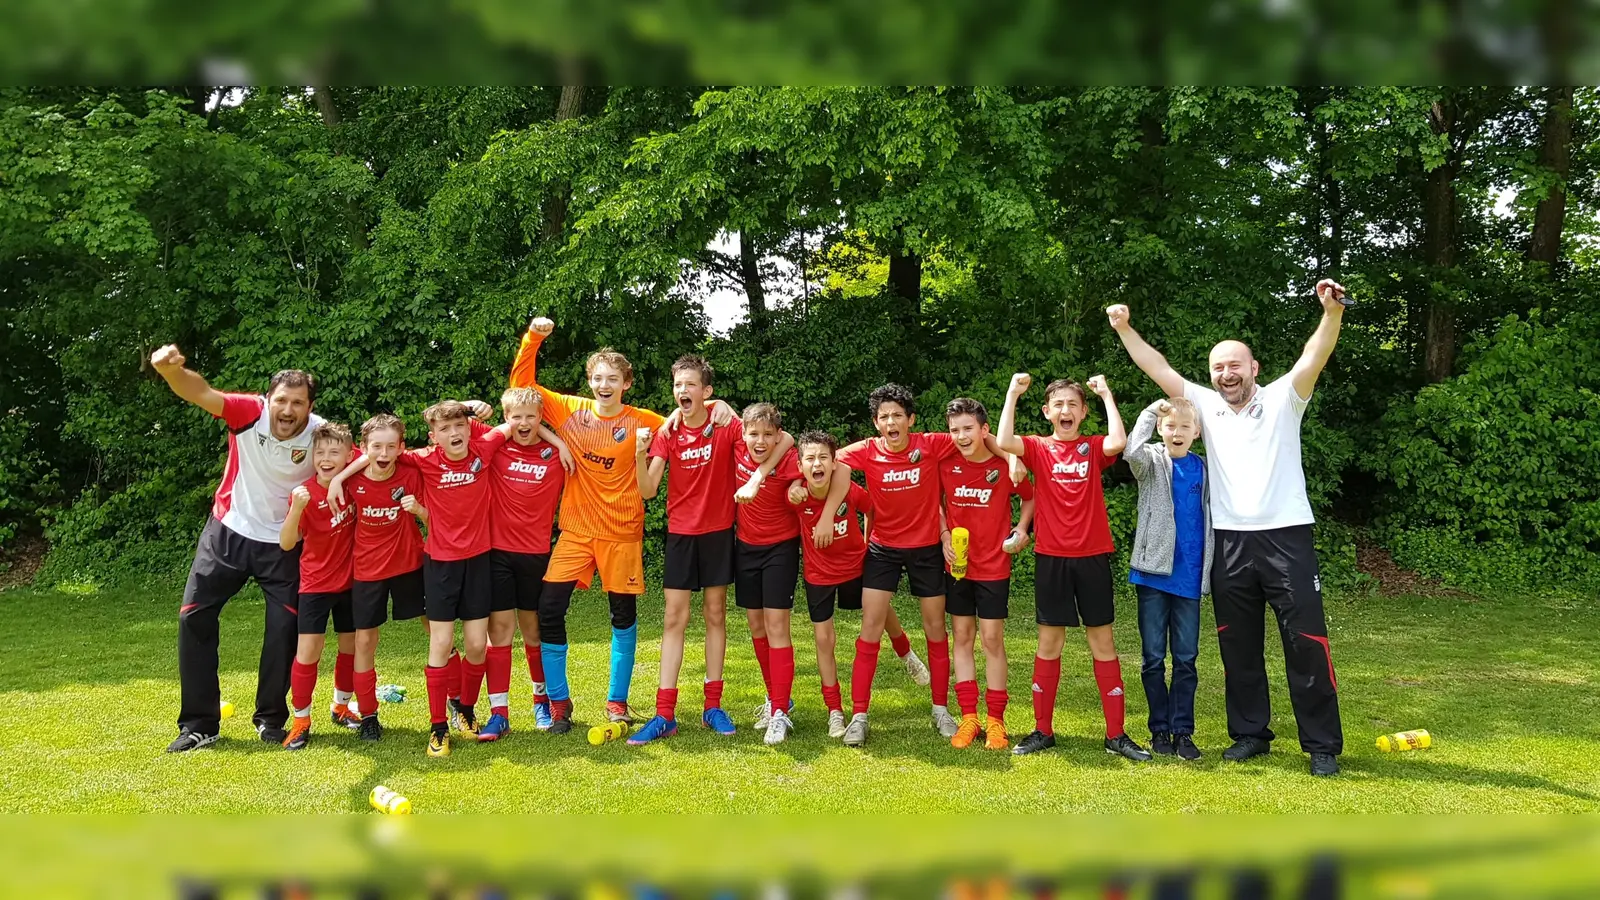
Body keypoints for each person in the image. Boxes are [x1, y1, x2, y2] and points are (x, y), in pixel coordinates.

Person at [1107, 279, 1348, 777]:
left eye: (1235, 364)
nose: (1226, 373)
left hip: (1287, 537)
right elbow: (1157, 367)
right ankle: (1250, 734)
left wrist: (1332, 312)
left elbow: (1314, 356)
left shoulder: (1285, 397)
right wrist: (1124, 327)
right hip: (1230, 543)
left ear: (1254, 368)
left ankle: (1321, 744)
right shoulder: (1203, 407)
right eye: (1219, 366)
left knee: (1305, 642)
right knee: (1239, 647)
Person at [507, 317, 733, 734]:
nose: (604, 384)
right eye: (597, 378)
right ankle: (559, 705)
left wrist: (720, 405)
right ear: (589, 381)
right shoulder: (569, 410)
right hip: (575, 531)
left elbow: (689, 417)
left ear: (626, 383)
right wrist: (534, 339)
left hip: (622, 532)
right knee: (548, 609)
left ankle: (617, 702)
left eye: (613, 378)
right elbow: (522, 386)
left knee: (622, 617)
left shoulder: (645, 421)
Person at [153, 344, 322, 753]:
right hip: (228, 530)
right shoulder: (249, 413)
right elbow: (200, 392)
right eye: (281, 400)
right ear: (269, 400)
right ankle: (199, 724)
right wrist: (170, 371)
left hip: (283, 543)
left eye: (297, 403)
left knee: (285, 630)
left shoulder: (322, 433)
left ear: (309, 407)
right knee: (194, 617)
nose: (287, 410)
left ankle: (270, 720)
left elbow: (372, 455)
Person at [813, 384, 990, 746]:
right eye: (883, 417)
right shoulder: (866, 450)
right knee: (870, 627)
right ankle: (859, 715)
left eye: (897, 415)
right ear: (876, 423)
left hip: (926, 550)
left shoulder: (932, 444)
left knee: (935, 629)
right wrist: (819, 503)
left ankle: (941, 709)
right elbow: (828, 461)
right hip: (883, 550)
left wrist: (1015, 459)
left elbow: (980, 440)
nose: (890, 422)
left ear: (910, 420)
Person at [329, 400, 509, 757]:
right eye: (444, 429)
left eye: (459, 426)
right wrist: (337, 477)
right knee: (404, 642)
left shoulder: (456, 455)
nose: (384, 453)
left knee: (468, 644)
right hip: (409, 566)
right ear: (432, 437)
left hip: (446, 562)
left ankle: (464, 707)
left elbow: (513, 423)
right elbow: (363, 454)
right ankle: (405, 721)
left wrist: (478, 412)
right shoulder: (398, 464)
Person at [996, 374, 1152, 762]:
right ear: (1047, 412)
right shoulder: (1037, 447)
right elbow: (1003, 441)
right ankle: (1042, 730)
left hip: (1093, 556)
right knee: (1050, 643)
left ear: (1083, 413)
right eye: (1058, 405)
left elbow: (1119, 441)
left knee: (1103, 642)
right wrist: (1014, 394)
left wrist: (1106, 393)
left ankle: (1116, 734)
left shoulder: (1093, 447)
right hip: (1052, 558)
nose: (1065, 411)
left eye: (1073, 405)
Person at [632, 357, 783, 745]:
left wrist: (727, 412)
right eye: (678, 385)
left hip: (718, 533)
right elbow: (648, 490)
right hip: (681, 534)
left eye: (690, 385)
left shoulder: (727, 426)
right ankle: (664, 713)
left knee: (715, 613)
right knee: (673, 618)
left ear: (707, 391)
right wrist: (638, 454)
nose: (683, 392)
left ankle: (712, 706)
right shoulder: (667, 432)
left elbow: (779, 439)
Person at [791, 431, 929, 740]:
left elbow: (872, 509)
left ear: (833, 461)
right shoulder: (798, 495)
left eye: (823, 457)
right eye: (810, 459)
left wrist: (867, 543)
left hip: (855, 567)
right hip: (819, 576)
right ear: (800, 466)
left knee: (880, 612)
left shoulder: (848, 491)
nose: (817, 464)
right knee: (824, 641)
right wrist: (792, 490)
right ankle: (835, 712)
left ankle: (906, 654)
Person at [938, 398, 1034, 751]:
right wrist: (945, 536)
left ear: (983, 430)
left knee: (992, 639)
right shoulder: (945, 462)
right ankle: (969, 718)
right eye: (955, 430)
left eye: (967, 429)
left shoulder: (1005, 464)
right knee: (961, 637)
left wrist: (1022, 530)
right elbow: (934, 503)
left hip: (994, 564)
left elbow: (1030, 498)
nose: (961, 436)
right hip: (958, 565)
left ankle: (995, 720)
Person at [478, 388, 574, 742]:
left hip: (535, 553)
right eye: (515, 416)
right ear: (505, 419)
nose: (523, 423)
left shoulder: (555, 453)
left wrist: (558, 441)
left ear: (542, 419)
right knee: (499, 632)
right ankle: (499, 712)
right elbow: (461, 427)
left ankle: (541, 700)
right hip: (497, 552)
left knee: (532, 629)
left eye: (531, 416)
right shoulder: (496, 447)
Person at [1123, 397, 1212, 761]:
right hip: (1153, 576)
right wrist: (1148, 412)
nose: (1177, 433)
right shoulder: (1151, 463)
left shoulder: (1205, 469)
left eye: (1185, 427)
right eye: (1170, 426)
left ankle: (1184, 732)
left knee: (1187, 659)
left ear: (1197, 433)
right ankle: (1159, 730)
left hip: (1190, 579)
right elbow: (1130, 450)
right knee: (1153, 658)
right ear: (1161, 429)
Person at [344, 414, 430, 742]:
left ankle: (456, 702)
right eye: (376, 446)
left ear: (401, 448)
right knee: (364, 641)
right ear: (362, 449)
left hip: (409, 564)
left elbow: (438, 520)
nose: (383, 453)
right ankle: (368, 715)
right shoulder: (350, 479)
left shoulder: (411, 474)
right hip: (367, 570)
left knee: (436, 631)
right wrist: (337, 481)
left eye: (390, 446)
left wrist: (420, 510)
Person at [278, 423, 359, 750]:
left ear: (349, 456)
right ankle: (300, 720)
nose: (326, 459)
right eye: (320, 452)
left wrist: (342, 477)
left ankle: (340, 707)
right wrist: (297, 508)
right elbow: (286, 544)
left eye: (334, 452)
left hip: (352, 584)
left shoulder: (355, 483)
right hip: (315, 585)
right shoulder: (304, 493)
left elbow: (376, 454)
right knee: (308, 653)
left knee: (350, 649)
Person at [725, 403, 803, 745]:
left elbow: (791, 442)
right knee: (756, 625)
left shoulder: (789, 458)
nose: (760, 441)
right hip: (745, 548)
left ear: (777, 436)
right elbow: (711, 409)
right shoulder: (737, 446)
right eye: (754, 434)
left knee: (776, 627)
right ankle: (777, 700)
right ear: (743, 435)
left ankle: (780, 715)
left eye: (768, 435)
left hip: (780, 550)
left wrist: (796, 490)